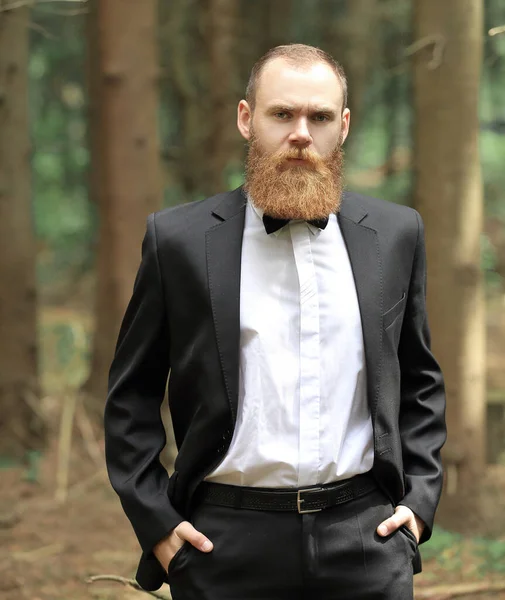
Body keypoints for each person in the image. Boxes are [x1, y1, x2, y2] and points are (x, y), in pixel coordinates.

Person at [104, 43, 446, 599]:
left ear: (345, 125)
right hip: (223, 544)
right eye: (282, 114)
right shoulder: (180, 242)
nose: (301, 134)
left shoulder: (396, 233)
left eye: (320, 116)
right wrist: (159, 526)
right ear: (247, 118)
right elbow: (130, 397)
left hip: (366, 540)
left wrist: (419, 504)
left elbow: (422, 381)